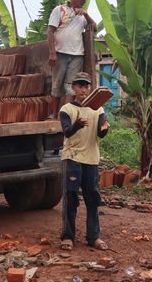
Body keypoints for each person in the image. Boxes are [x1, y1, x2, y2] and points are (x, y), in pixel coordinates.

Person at [58, 72, 109, 251]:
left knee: (92, 198)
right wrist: (77, 124)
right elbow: (66, 132)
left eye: (86, 86)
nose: (84, 89)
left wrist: (105, 128)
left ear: (90, 88)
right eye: (80, 86)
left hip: (91, 159)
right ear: (73, 87)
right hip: (72, 157)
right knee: (70, 198)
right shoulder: (66, 109)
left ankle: (93, 237)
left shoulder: (99, 109)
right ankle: (67, 236)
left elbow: (101, 133)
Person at [48, 0, 97, 110]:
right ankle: (53, 115)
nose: (85, 1)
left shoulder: (83, 15)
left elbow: (95, 27)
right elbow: (50, 31)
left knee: (70, 87)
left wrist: (86, 15)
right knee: (57, 85)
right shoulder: (59, 10)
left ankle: (66, 114)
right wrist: (52, 53)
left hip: (77, 55)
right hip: (60, 53)